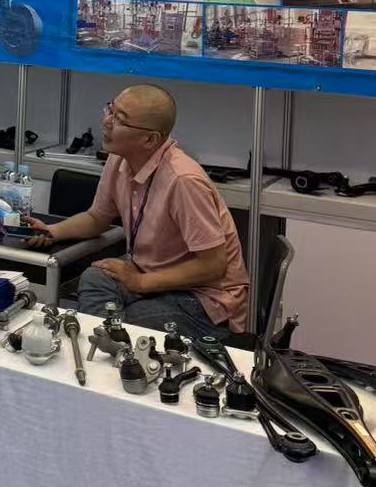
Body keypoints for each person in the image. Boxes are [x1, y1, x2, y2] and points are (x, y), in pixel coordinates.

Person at [26, 84, 249, 342]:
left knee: (128, 321)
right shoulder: (119, 159)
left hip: (204, 299)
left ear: (150, 139)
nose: (106, 121)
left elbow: (214, 265)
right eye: (110, 110)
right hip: (150, 274)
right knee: (95, 278)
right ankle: (108, 346)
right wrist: (52, 231)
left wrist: (141, 283)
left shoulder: (183, 181)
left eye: (120, 119)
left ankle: (110, 347)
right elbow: (97, 218)